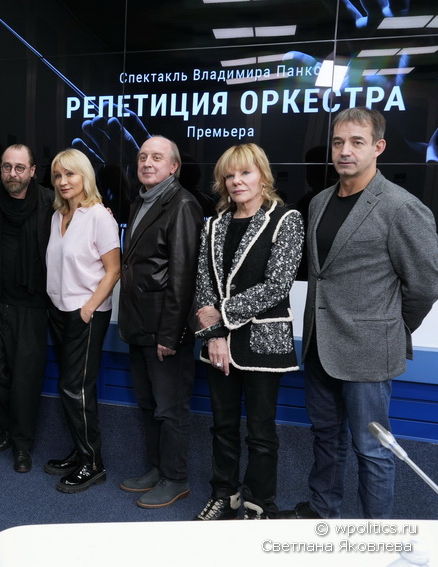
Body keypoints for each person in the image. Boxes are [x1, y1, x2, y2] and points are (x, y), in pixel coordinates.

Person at [281, 107, 438, 520]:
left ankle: (376, 535)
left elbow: (424, 285)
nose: (345, 151)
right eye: (338, 142)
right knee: (326, 437)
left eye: (357, 142)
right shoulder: (319, 202)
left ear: (378, 147)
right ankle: (324, 512)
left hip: (369, 350)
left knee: (372, 448)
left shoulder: (401, 207)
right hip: (320, 345)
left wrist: (390, 327)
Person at [192, 143, 304, 521]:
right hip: (219, 344)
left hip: (263, 344)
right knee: (222, 426)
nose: (237, 181)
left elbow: (277, 286)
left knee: (261, 431)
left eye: (245, 173)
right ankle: (224, 495)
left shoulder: (286, 220)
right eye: (230, 175)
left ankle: (259, 505)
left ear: (262, 177)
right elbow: (204, 285)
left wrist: (221, 315)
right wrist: (214, 335)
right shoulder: (214, 225)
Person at [118, 135, 203, 508]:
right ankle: (156, 469)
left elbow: (184, 278)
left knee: (170, 409)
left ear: (174, 167)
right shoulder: (141, 200)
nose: (147, 163)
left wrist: (170, 335)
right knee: (149, 405)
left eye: (156, 157)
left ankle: (175, 478)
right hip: (139, 326)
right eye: (142, 157)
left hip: (165, 332)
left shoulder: (182, 204)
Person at [42, 148, 120, 493]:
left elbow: (114, 270)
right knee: (71, 387)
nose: (63, 181)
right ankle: (80, 450)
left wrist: (88, 308)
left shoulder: (99, 216)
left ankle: (93, 463)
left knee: (76, 387)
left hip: (86, 314)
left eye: (70, 174)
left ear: (85, 176)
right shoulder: (58, 215)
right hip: (59, 311)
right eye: (58, 175)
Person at [0, 144, 54, 473]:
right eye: (7, 166)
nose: (13, 174)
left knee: (25, 377)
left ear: (33, 171)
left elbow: (83, 211)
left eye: (20, 168)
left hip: (32, 303)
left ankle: (22, 444)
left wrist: (102, 210)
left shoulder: (49, 201)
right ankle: (8, 424)